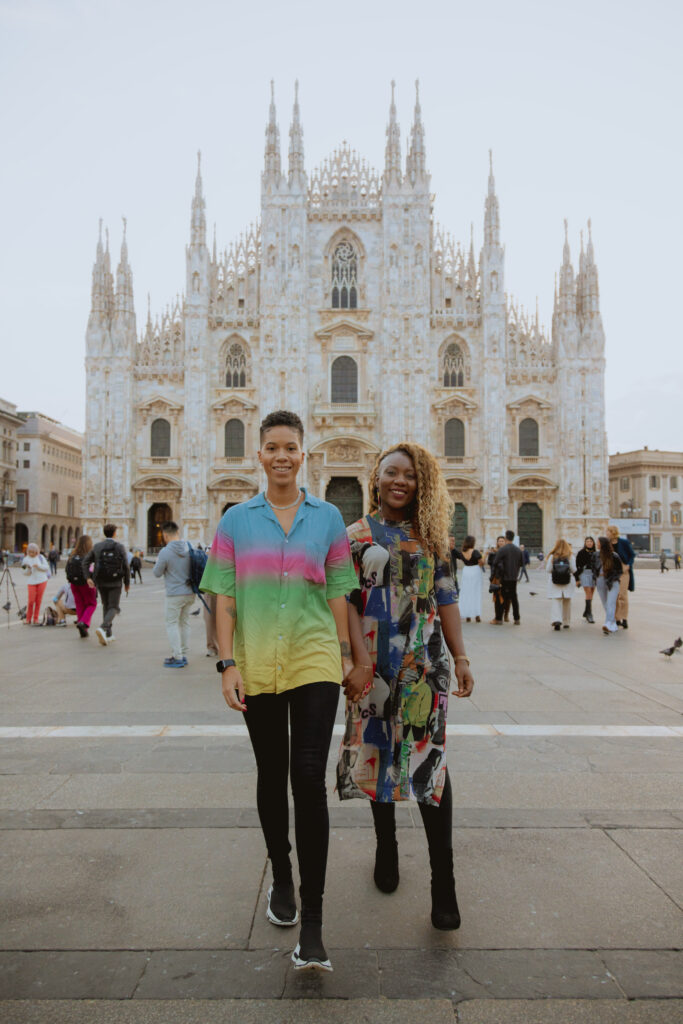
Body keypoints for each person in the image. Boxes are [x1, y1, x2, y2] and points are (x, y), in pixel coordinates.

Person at [200, 410, 359, 973]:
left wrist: (346, 654)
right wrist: (226, 663)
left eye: (292, 447)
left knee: (308, 779)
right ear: (260, 455)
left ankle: (312, 924)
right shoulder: (236, 521)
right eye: (273, 447)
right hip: (257, 660)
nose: (283, 455)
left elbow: (340, 590)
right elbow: (224, 597)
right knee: (272, 773)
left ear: (303, 453)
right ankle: (282, 876)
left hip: (314, 659)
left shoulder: (329, 517)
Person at [338, 442, 474, 935]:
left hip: (423, 663)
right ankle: (386, 848)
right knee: (378, 752)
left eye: (410, 476)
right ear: (375, 478)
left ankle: (444, 884)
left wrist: (459, 657)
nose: (400, 481)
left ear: (422, 484)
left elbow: (448, 598)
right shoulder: (352, 535)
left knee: (428, 759)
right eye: (392, 473)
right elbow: (347, 601)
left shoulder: (433, 536)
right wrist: (356, 660)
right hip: (372, 664)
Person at [153, 521, 195, 668]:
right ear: (178, 532)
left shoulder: (165, 551)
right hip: (190, 592)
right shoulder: (189, 547)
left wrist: (160, 562)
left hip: (174, 593)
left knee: (171, 623)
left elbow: (157, 573)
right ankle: (183, 653)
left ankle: (177, 656)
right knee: (184, 622)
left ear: (165, 535)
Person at [84, 524, 130, 646]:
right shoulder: (119, 546)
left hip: (101, 580)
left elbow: (85, 561)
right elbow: (125, 565)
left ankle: (108, 634)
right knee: (114, 607)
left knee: (106, 605)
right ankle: (104, 627)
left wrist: (88, 577)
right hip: (115, 581)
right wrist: (127, 582)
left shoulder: (97, 546)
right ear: (115, 533)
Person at [66, 535, 99, 638]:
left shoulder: (72, 555)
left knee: (79, 604)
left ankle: (82, 626)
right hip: (86, 583)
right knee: (91, 604)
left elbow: (67, 569)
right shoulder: (89, 556)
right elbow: (93, 570)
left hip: (74, 584)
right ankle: (83, 622)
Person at [491, 530, 523, 625]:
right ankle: (517, 618)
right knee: (514, 597)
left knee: (502, 597)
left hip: (504, 577)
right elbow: (521, 563)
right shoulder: (518, 550)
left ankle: (499, 618)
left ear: (506, 538)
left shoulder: (502, 549)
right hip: (514, 577)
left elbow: (495, 562)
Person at [606, 525, 635, 630]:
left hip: (623, 570)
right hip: (612, 571)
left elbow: (632, 554)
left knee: (623, 595)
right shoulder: (607, 544)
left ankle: (624, 618)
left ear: (613, 532)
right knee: (615, 596)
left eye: (608, 531)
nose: (606, 533)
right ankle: (617, 618)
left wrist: (628, 565)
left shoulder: (623, 542)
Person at [545, 540, 576, 630]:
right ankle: (566, 621)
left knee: (556, 601)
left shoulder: (552, 556)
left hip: (555, 581)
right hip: (567, 581)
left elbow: (548, 570)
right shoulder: (570, 556)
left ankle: (556, 620)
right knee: (567, 601)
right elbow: (574, 569)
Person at [595, 536, 623, 636]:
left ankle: (607, 623)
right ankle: (613, 624)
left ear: (602, 544)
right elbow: (594, 568)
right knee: (605, 603)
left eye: (598, 542)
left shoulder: (614, 555)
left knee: (611, 602)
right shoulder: (596, 555)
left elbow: (620, 570)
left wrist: (614, 578)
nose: (596, 544)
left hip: (612, 581)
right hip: (600, 580)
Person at [454, 535, 484, 622]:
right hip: (475, 571)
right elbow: (481, 563)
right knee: (475, 592)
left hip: (466, 571)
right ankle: (477, 615)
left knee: (466, 592)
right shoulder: (475, 552)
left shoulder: (462, 552)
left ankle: (467, 615)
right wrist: (484, 556)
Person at [21, 543, 50, 624]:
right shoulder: (25, 559)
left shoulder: (41, 557)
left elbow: (46, 567)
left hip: (42, 580)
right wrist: (28, 569)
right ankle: (28, 618)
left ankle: (36, 618)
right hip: (31, 581)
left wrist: (38, 566)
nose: (31, 554)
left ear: (37, 552)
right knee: (31, 601)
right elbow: (23, 572)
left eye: (33, 552)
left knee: (38, 600)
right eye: (29, 552)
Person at [575, 536, 599, 623]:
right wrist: (577, 579)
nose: (589, 543)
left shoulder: (596, 552)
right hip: (584, 573)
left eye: (591, 541)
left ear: (593, 543)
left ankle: (586, 611)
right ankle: (590, 614)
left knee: (592, 593)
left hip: (594, 574)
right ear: (585, 543)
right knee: (588, 593)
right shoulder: (581, 552)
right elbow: (576, 566)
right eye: (587, 541)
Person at [487, 536, 508, 622]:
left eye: (502, 541)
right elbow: (490, 563)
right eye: (499, 541)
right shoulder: (494, 553)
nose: (501, 542)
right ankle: (498, 617)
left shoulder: (506, 552)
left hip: (504, 577)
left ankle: (501, 617)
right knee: (497, 597)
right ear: (497, 542)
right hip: (497, 577)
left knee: (503, 598)